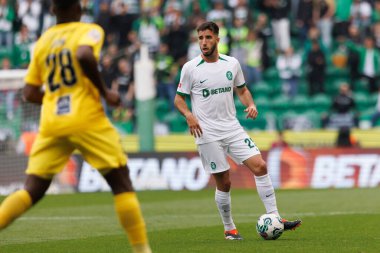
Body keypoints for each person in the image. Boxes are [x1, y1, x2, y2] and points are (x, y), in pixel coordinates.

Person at [0, 1, 152, 253]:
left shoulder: (43, 41)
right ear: (80, 7)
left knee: (32, 189)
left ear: (52, 10)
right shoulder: (89, 31)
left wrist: (52, 98)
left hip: (52, 123)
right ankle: (141, 249)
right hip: (85, 117)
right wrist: (105, 92)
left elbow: (28, 92)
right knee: (121, 183)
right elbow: (83, 55)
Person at [174, 21, 301, 240]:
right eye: (200, 38)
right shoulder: (190, 68)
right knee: (225, 181)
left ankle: (275, 217)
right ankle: (229, 228)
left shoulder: (231, 64)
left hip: (232, 128)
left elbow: (242, 90)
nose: (204, 42)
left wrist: (250, 104)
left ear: (217, 39)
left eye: (208, 37)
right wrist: (189, 115)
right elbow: (179, 99)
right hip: (207, 133)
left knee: (260, 166)